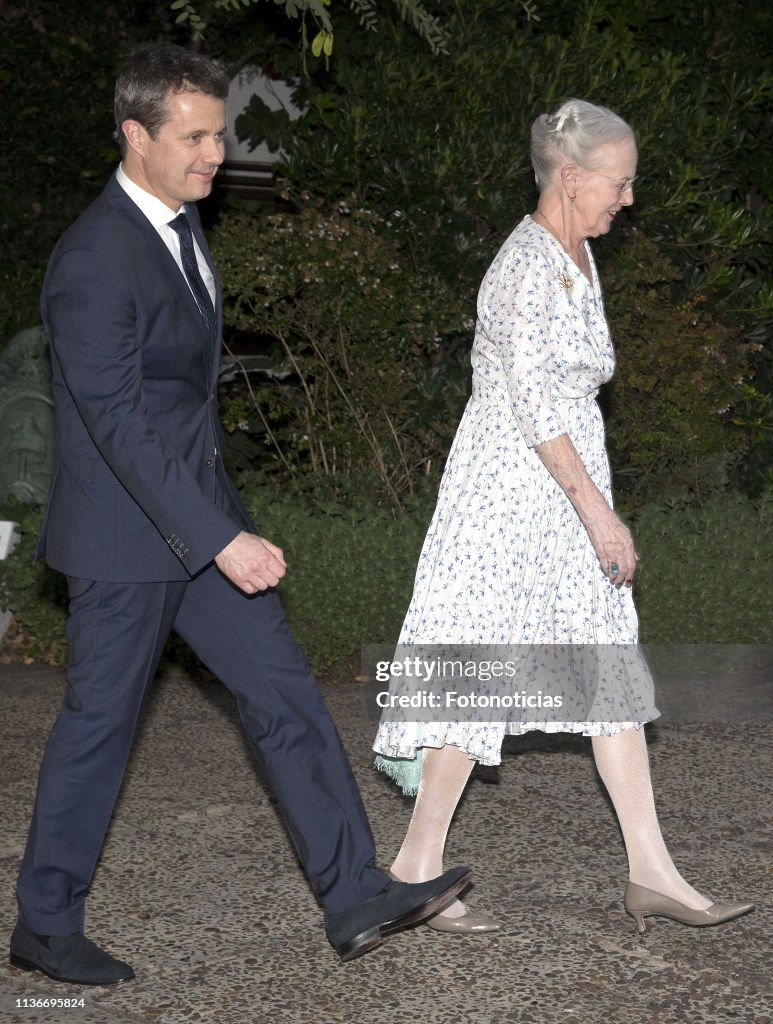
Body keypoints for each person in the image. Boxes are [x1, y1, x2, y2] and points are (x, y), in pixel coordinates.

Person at [9, 43, 471, 986]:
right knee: (100, 725)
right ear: (136, 135)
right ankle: (45, 924)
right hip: (129, 540)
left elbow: (182, 407)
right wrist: (220, 535)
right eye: (195, 136)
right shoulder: (96, 256)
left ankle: (354, 895)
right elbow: (117, 425)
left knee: (286, 697)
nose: (215, 153)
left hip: (196, 524)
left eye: (218, 134)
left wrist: (218, 522)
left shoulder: (179, 229)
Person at [373, 99, 753, 936]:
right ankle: (414, 863)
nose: (628, 198)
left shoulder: (576, 253)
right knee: (475, 674)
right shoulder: (523, 268)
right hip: (513, 495)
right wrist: (600, 519)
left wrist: (592, 510)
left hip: (563, 486)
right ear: (572, 177)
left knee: (607, 667)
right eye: (619, 183)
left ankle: (650, 871)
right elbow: (536, 406)